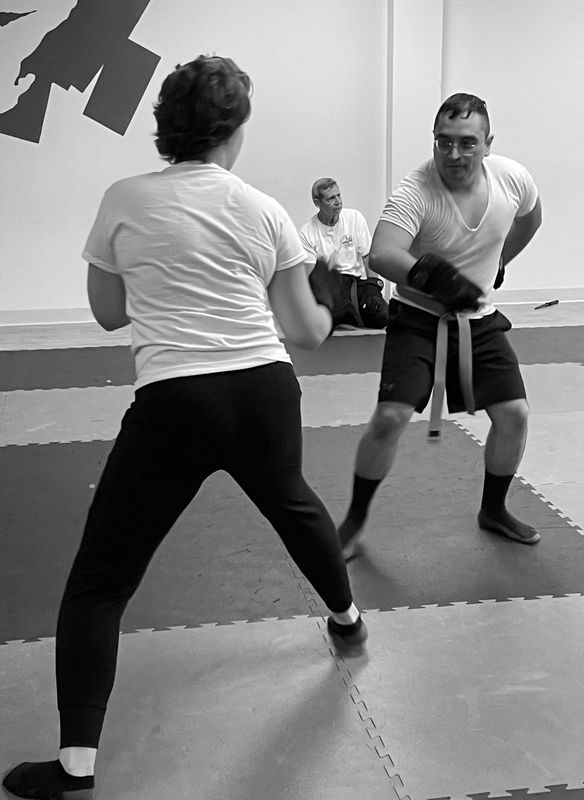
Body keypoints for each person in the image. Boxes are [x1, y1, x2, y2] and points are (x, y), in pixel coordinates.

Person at [3, 55, 367, 800]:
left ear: (166, 129)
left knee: (100, 582)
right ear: (234, 130)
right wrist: (335, 305)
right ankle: (348, 619)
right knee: (293, 502)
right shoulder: (264, 209)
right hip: (264, 393)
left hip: (175, 404)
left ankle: (76, 767)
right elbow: (305, 333)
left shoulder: (122, 197)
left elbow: (109, 313)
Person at [337, 93, 543, 560]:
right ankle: (354, 520)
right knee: (389, 417)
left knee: (514, 415)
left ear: (488, 143)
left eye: (467, 143)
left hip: (480, 320)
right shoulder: (417, 190)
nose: (454, 154)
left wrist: (500, 264)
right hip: (417, 319)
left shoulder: (512, 179)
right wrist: (438, 281)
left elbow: (531, 218)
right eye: (443, 142)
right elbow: (383, 252)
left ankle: (493, 509)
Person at [300, 178, 388, 329]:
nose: (338, 201)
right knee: (329, 318)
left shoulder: (354, 218)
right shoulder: (307, 232)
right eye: (331, 198)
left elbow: (367, 257)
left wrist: (374, 291)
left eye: (339, 195)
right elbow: (309, 274)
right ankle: (345, 314)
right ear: (317, 203)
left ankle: (352, 312)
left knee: (382, 317)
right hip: (328, 286)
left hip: (354, 283)